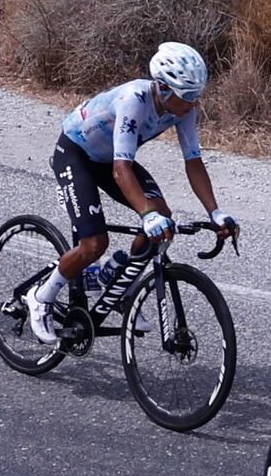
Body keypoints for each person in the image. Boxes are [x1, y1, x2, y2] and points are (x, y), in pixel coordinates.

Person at [40, 42, 230, 343]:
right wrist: (147, 214)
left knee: (162, 220)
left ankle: (115, 280)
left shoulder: (183, 108)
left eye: (198, 95)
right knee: (94, 245)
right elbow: (121, 170)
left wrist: (215, 212)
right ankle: (42, 298)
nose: (194, 103)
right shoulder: (134, 100)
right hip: (75, 153)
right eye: (188, 96)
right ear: (164, 89)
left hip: (109, 160)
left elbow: (193, 161)